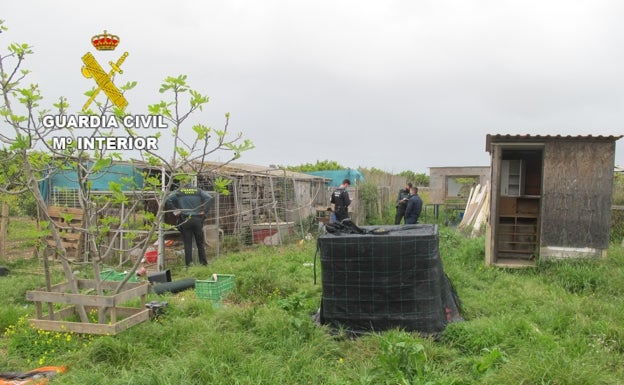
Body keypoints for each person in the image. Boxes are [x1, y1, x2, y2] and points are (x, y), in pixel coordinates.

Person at [165, 184, 213, 266]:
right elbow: (209, 197)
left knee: (188, 244)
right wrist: (205, 212)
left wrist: (175, 211)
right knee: (200, 243)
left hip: (185, 219)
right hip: (197, 219)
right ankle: (204, 263)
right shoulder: (198, 190)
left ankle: (189, 265)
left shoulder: (179, 191)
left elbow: (168, 199)